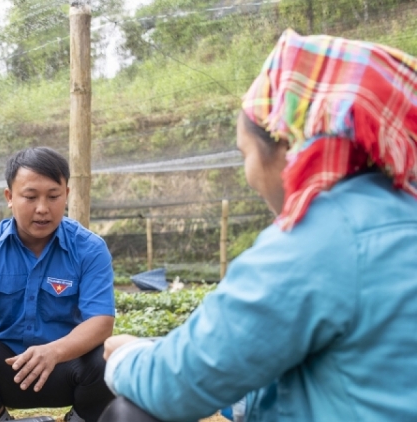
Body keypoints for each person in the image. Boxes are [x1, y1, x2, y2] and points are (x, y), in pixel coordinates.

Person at [101, 29, 417, 422]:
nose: (249, 174)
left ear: (287, 145)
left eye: (245, 153)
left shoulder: (321, 237)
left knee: (129, 412)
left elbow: (176, 384)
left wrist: (129, 356)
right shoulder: (403, 208)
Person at [0, 147, 116, 422]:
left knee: (109, 358)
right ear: (10, 197)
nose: (42, 208)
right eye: (30, 197)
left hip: (65, 367)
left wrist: (53, 351)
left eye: (54, 196)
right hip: (6, 369)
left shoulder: (89, 248)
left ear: (66, 194)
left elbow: (101, 321)